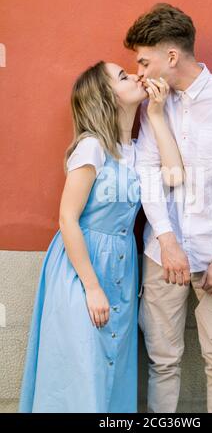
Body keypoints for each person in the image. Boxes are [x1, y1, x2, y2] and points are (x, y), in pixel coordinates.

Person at [18, 60, 184, 413]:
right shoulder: (92, 147)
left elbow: (173, 176)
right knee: (81, 369)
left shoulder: (138, 149)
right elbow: (67, 218)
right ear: (106, 96)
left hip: (122, 269)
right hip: (82, 268)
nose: (136, 75)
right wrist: (91, 286)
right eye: (123, 76)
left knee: (113, 369)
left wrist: (156, 115)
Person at [124, 3, 212, 413]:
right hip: (160, 254)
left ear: (171, 57)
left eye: (144, 61)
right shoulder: (154, 106)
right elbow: (150, 175)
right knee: (162, 362)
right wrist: (166, 240)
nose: (140, 72)